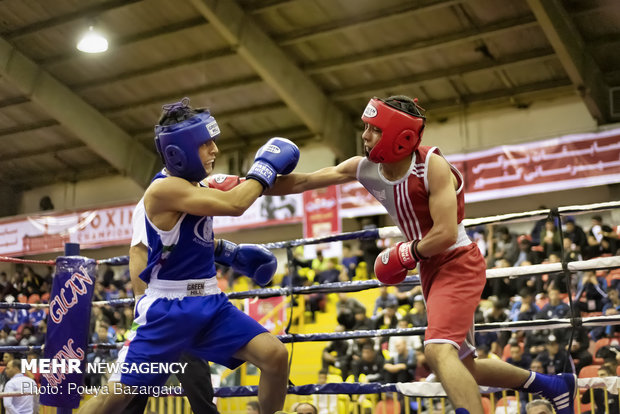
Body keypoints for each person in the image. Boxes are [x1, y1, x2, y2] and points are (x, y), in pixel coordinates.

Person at [267, 95, 576, 414]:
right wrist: (252, 181)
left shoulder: (432, 166)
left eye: (373, 129)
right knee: (462, 369)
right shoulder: (364, 168)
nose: (364, 135)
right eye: (365, 127)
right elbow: (304, 180)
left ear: (400, 136)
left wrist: (404, 252)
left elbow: (444, 233)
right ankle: (552, 385)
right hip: (429, 267)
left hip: (457, 261)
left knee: (438, 350)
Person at [78, 98, 298, 414]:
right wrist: (264, 166)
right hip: (167, 311)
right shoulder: (163, 190)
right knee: (115, 398)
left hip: (208, 302)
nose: (215, 150)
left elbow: (188, 241)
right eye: (206, 143)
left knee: (275, 355)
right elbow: (236, 205)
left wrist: (351, 171)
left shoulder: (199, 186)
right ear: (178, 151)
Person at [121, 192, 218, 413]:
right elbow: (138, 251)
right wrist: (141, 305)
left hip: (186, 306)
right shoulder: (152, 202)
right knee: (134, 387)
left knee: (197, 379)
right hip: (159, 308)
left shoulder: (190, 201)